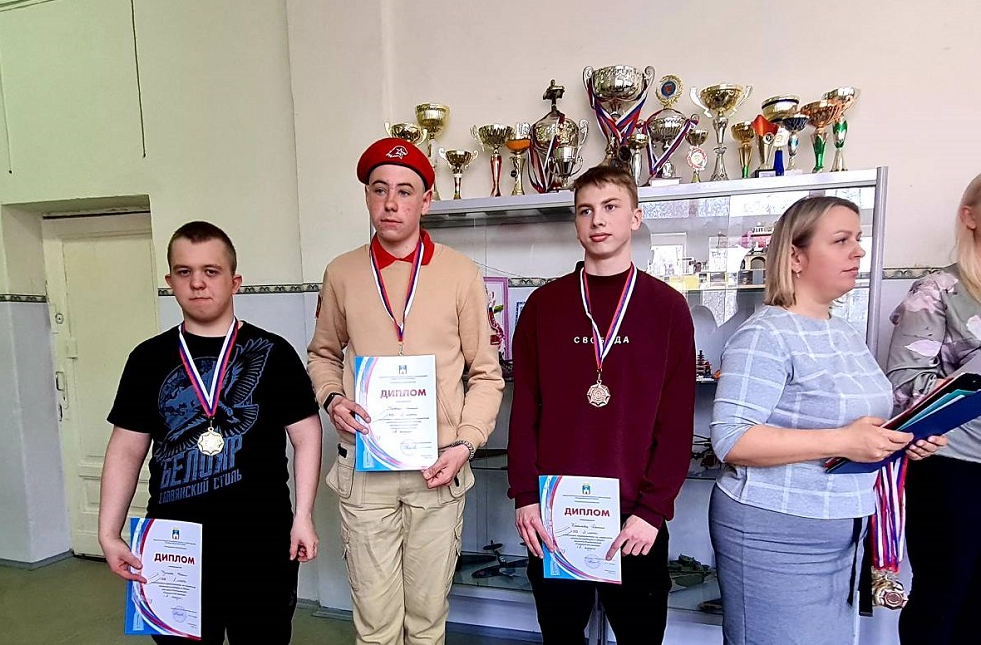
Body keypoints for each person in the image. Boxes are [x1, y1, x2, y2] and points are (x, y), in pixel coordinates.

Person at [709, 195, 940, 645]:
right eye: (841, 240)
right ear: (796, 258)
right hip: (777, 532)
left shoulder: (842, 331)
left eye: (858, 239)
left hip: (843, 526)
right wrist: (843, 441)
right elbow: (732, 440)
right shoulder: (764, 334)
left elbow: (858, 425)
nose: (859, 251)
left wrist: (902, 438)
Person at [307, 137, 504, 645]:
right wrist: (332, 398)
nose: (391, 203)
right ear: (367, 197)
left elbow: (486, 373)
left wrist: (466, 444)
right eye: (380, 190)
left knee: (426, 619)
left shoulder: (460, 273)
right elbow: (322, 354)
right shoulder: (342, 272)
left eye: (404, 191)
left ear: (426, 200)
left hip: (436, 469)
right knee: (376, 625)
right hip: (365, 469)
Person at [98, 221, 322, 644]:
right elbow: (126, 449)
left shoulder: (273, 352)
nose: (197, 283)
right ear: (170, 281)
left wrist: (303, 516)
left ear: (235, 281)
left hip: (260, 541)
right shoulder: (147, 359)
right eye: (184, 272)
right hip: (173, 545)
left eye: (211, 271)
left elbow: (306, 435)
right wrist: (108, 532)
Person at [507, 161, 696, 644]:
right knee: (561, 637)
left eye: (611, 207)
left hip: (635, 518)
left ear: (635, 217)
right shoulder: (544, 306)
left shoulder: (667, 308)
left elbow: (676, 422)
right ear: (575, 222)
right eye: (585, 210)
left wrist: (653, 510)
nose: (598, 220)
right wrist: (525, 496)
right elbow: (524, 410)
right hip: (554, 514)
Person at [886, 174, 981, 644]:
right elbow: (906, 388)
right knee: (945, 602)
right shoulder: (937, 290)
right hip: (952, 468)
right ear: (970, 217)